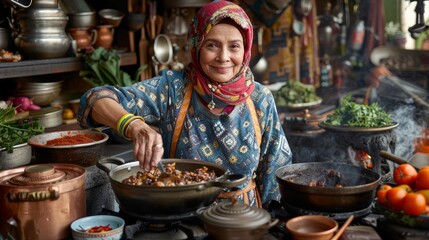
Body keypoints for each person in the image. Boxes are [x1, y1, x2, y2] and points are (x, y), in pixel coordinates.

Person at [77, 0, 292, 208]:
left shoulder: (260, 99)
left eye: (234, 46)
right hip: (184, 219)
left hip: (244, 222)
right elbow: (94, 99)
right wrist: (133, 125)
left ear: (245, 50)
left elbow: (275, 175)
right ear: (197, 46)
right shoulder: (172, 89)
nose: (223, 57)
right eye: (212, 45)